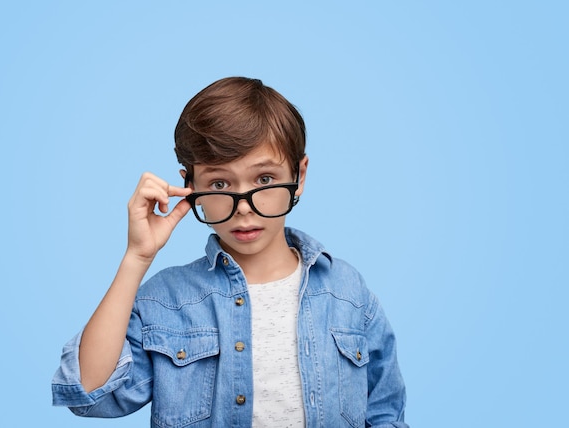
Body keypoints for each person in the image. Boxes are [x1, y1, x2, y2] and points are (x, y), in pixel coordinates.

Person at [52, 76, 408, 427]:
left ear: (298, 177)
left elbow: (385, 415)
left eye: (264, 180)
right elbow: (88, 392)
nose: (243, 207)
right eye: (220, 184)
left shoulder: (348, 293)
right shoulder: (166, 302)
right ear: (190, 187)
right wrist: (137, 257)